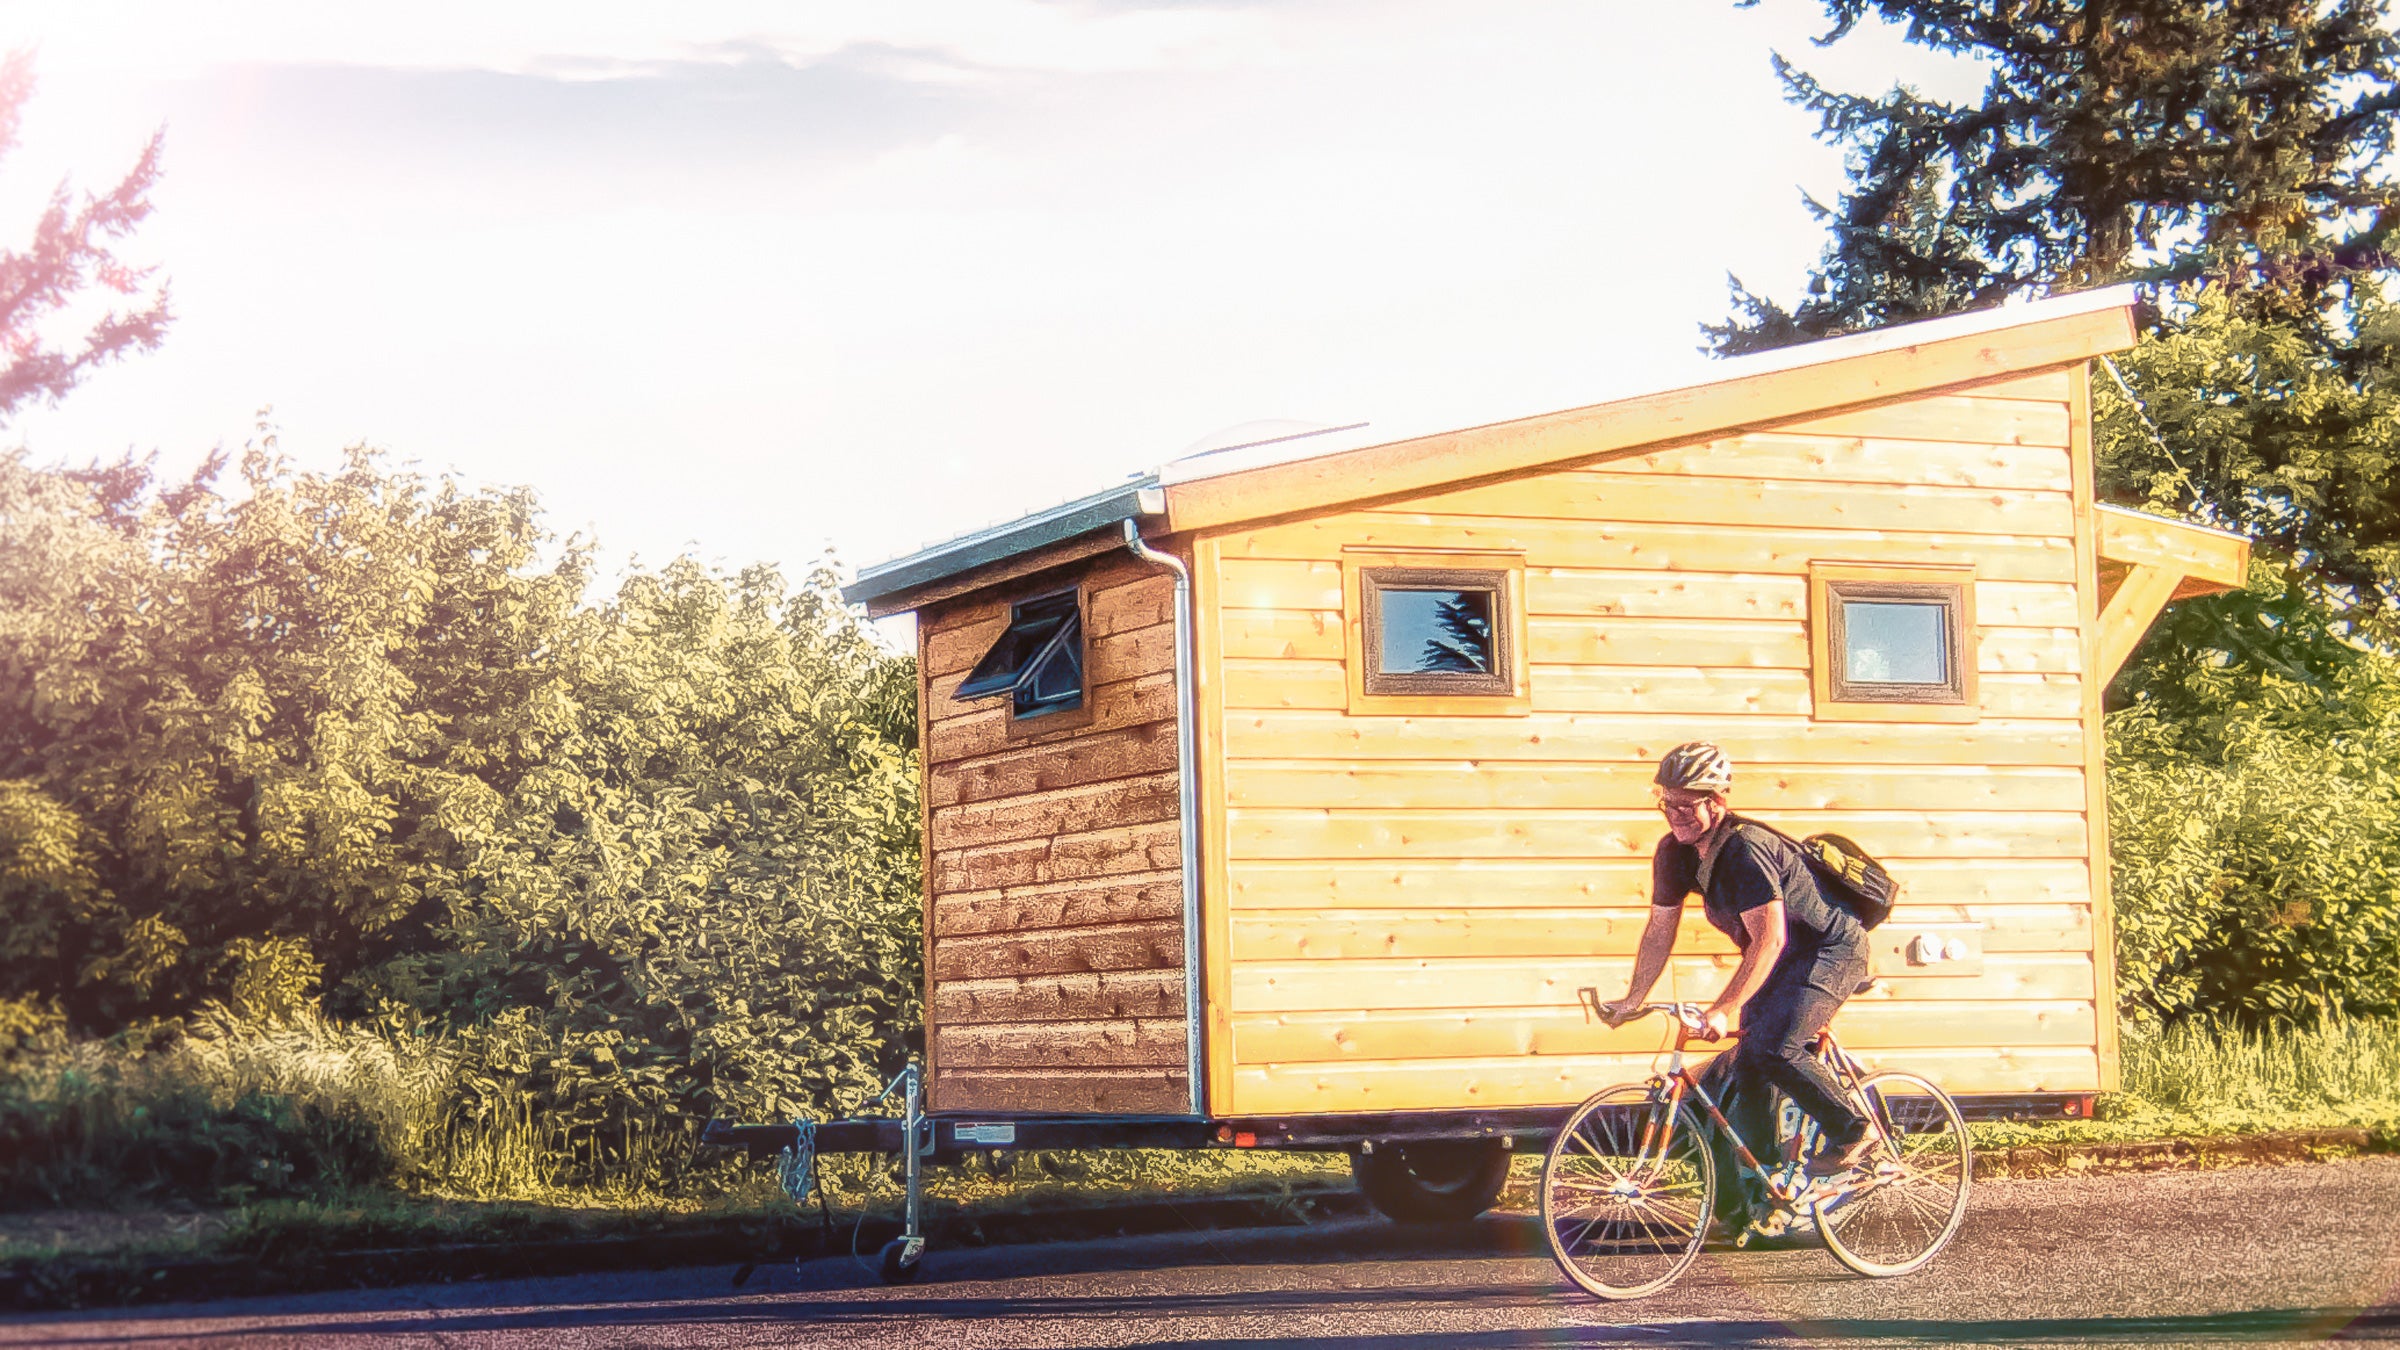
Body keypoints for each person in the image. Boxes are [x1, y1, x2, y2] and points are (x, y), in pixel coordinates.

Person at [1596, 741, 1875, 1232]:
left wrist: (1722, 1009)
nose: (1675, 814)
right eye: (1667, 802)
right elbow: (1660, 930)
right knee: (1747, 1066)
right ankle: (1764, 1190)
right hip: (1781, 960)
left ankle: (1854, 1131)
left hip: (1829, 951)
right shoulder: (1673, 853)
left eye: (1687, 804)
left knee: (1776, 1046)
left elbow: (1769, 940)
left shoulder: (1746, 849)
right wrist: (1633, 998)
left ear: (1717, 803)